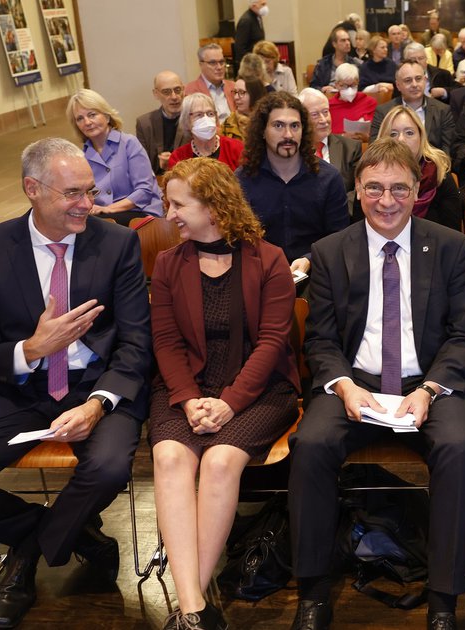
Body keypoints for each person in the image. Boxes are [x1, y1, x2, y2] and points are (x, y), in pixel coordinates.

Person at [0, 137, 151, 629]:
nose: (88, 204)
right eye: (71, 194)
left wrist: (99, 404)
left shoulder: (117, 242)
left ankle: (27, 556)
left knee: (106, 468)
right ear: (32, 190)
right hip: (20, 389)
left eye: (89, 190)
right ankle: (62, 534)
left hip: (96, 387)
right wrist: (31, 350)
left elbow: (137, 343)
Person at [287, 139, 465, 630]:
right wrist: (345, 388)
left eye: (399, 188)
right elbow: (322, 340)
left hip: (428, 381)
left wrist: (431, 390)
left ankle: (443, 599)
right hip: (357, 382)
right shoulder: (330, 252)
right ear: (357, 188)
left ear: (418, 190)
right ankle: (312, 593)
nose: (386, 200)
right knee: (309, 444)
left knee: (460, 448)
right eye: (374, 187)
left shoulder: (451, 247)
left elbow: (463, 336)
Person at [150, 157, 298, 630]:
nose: (169, 213)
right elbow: (167, 343)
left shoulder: (268, 259)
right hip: (187, 387)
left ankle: (188, 606)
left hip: (258, 389)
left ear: (213, 207)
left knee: (218, 461)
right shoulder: (170, 265)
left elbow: (274, 342)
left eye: (178, 204)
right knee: (172, 459)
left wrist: (229, 403)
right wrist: (190, 398)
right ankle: (194, 608)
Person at [237, 92, 348, 273]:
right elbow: (239, 240)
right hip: (261, 272)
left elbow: (338, 237)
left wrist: (309, 259)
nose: (288, 135)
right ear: (262, 131)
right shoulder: (243, 180)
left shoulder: (329, 178)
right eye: (278, 125)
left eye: (295, 126)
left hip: (317, 271)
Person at [67, 89, 162, 226]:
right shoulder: (82, 157)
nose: (87, 122)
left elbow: (144, 191)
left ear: (106, 116)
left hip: (141, 212)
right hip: (105, 218)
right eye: (80, 119)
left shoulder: (129, 143)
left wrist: (108, 209)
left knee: (95, 227)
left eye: (92, 115)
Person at [372, 106, 462, 231]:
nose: (401, 140)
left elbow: (453, 232)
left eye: (409, 133)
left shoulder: (439, 174)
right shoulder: (371, 175)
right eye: (393, 134)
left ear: (421, 137)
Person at [369, 60, 457, 155]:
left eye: (418, 79)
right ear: (398, 85)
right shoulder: (383, 112)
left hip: (432, 166)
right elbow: (375, 150)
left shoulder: (442, 110)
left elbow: (448, 150)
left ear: (425, 80)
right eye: (408, 80)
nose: (414, 85)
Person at [298, 88, 361, 213]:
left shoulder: (351, 148)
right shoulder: (294, 151)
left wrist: (335, 210)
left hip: (342, 218)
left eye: (326, 112)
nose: (324, 120)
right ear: (301, 119)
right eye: (315, 115)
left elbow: (358, 189)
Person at [168, 94, 244, 171]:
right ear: (186, 121)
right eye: (199, 115)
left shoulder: (236, 148)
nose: (206, 119)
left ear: (216, 118)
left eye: (210, 114)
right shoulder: (178, 157)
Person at [135, 71, 188, 174]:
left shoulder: (193, 118)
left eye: (177, 90)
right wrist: (161, 163)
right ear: (156, 94)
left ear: (183, 90)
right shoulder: (145, 123)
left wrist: (174, 160)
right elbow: (142, 164)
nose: (174, 96)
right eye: (166, 92)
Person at [185, 43, 236, 123]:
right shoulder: (190, 91)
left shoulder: (234, 87)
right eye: (213, 63)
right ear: (201, 65)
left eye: (221, 62)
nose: (219, 67)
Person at [326, 63, 376, 138]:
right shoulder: (329, 107)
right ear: (336, 85)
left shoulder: (369, 103)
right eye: (344, 85)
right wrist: (344, 136)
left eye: (353, 85)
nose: (349, 90)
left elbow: (376, 132)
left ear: (358, 82)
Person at [310, 26, 361, 94]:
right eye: (343, 40)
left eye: (348, 40)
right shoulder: (323, 64)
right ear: (334, 44)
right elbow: (313, 86)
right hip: (328, 98)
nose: (347, 43)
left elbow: (360, 86)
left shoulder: (355, 64)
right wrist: (322, 89)